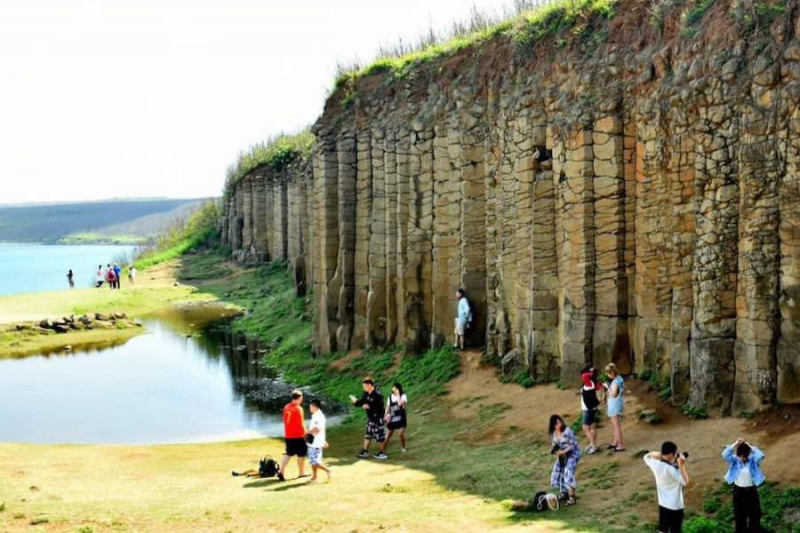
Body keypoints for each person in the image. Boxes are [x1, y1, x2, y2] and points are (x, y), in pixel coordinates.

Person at [644, 441, 689, 533]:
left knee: (663, 530)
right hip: (676, 506)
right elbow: (685, 482)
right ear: (672, 453)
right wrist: (681, 465)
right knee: (675, 530)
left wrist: (659, 455)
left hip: (663, 504)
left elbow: (646, 456)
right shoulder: (672, 470)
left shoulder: (655, 464)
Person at [722, 438, 765, 532]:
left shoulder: (753, 460)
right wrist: (736, 443)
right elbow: (725, 454)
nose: (743, 458)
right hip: (739, 492)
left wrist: (749, 445)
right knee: (739, 516)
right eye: (741, 456)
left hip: (751, 491)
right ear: (738, 454)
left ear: (748, 454)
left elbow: (760, 455)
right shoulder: (734, 460)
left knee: (755, 514)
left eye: (745, 455)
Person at [350, 377, 388, 460]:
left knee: (380, 437)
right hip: (370, 419)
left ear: (370, 385)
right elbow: (362, 402)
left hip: (378, 419)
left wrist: (368, 406)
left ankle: (382, 453)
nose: (363, 388)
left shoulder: (378, 395)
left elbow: (379, 408)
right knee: (368, 435)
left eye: (365, 386)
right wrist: (355, 402)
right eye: (363, 386)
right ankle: (365, 451)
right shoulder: (366, 393)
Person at [548, 414, 580, 506]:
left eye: (560, 421)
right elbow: (555, 445)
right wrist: (556, 452)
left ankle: (572, 497)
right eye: (558, 423)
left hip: (573, 454)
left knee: (568, 472)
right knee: (559, 471)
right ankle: (564, 493)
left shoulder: (567, 431)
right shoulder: (554, 433)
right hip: (562, 456)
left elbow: (574, 445)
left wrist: (563, 451)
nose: (560, 424)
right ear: (554, 425)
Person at [278, 390, 308, 481]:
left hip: (288, 435)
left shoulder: (286, 407)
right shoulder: (298, 408)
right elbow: (301, 423)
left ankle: (281, 471)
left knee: (288, 453)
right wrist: (306, 433)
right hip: (299, 435)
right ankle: (301, 473)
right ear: (300, 398)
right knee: (301, 454)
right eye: (301, 398)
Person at [580, 364, 604, 455]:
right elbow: (599, 387)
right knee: (592, 427)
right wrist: (593, 373)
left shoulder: (589, 382)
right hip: (593, 407)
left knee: (586, 428)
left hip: (588, 409)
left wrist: (591, 373)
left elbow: (584, 375)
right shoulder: (594, 383)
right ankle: (593, 443)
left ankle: (594, 446)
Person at [308, 399, 331, 483]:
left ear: (314, 406)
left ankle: (328, 470)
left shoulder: (318, 416)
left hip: (316, 442)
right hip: (314, 441)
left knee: (314, 461)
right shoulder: (315, 415)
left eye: (310, 406)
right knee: (313, 460)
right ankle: (314, 477)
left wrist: (306, 433)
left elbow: (317, 429)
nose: (309, 408)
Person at [605, 363, 625, 452]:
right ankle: (615, 442)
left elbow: (613, 394)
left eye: (608, 373)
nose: (608, 375)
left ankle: (620, 445)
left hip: (614, 405)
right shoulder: (620, 379)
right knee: (616, 425)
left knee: (616, 426)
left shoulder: (616, 382)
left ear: (611, 373)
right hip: (618, 403)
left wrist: (607, 387)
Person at [384, 382, 408, 454]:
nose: (394, 389)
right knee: (388, 435)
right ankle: (382, 450)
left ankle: (403, 447)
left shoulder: (403, 396)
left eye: (395, 388)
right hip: (392, 418)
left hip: (401, 418)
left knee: (400, 433)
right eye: (393, 387)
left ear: (399, 389)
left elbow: (400, 404)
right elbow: (388, 407)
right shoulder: (390, 397)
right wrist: (385, 415)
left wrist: (398, 395)